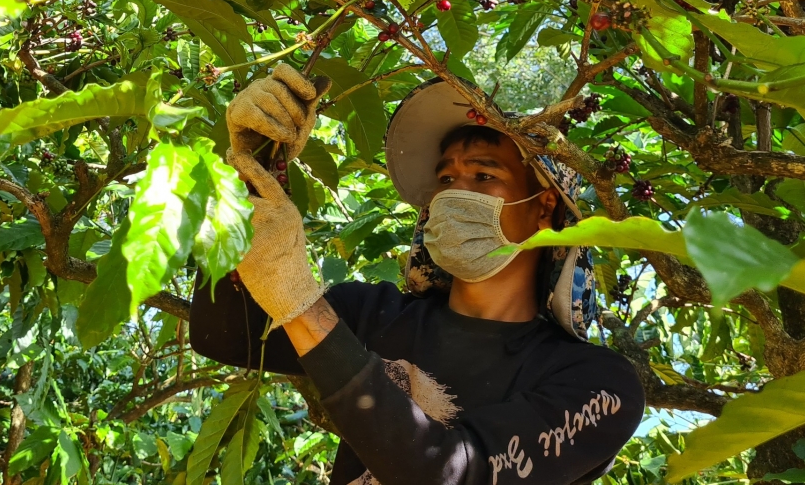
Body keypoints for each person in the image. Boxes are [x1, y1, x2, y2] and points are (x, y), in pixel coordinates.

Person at [191, 72, 645, 485]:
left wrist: (301, 305)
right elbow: (224, 334)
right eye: (446, 178)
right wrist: (249, 174)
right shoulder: (372, 315)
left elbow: (451, 473)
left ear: (545, 205)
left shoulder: (599, 384)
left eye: (484, 175)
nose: (455, 193)